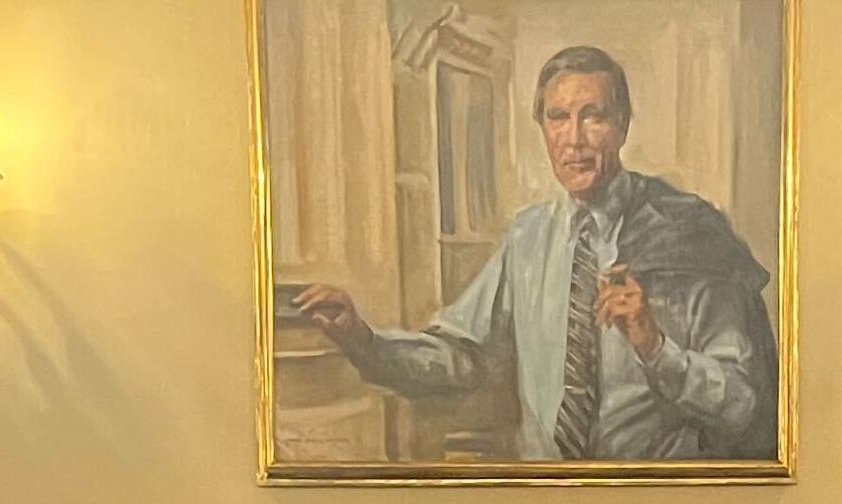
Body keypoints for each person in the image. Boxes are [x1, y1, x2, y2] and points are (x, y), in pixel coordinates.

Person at [295, 45, 777, 463]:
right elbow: (463, 356)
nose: (574, 139)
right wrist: (364, 340)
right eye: (558, 117)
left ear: (623, 125)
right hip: (545, 500)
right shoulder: (529, 238)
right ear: (542, 128)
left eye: (594, 115)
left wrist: (655, 347)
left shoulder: (690, 235)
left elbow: (742, 404)